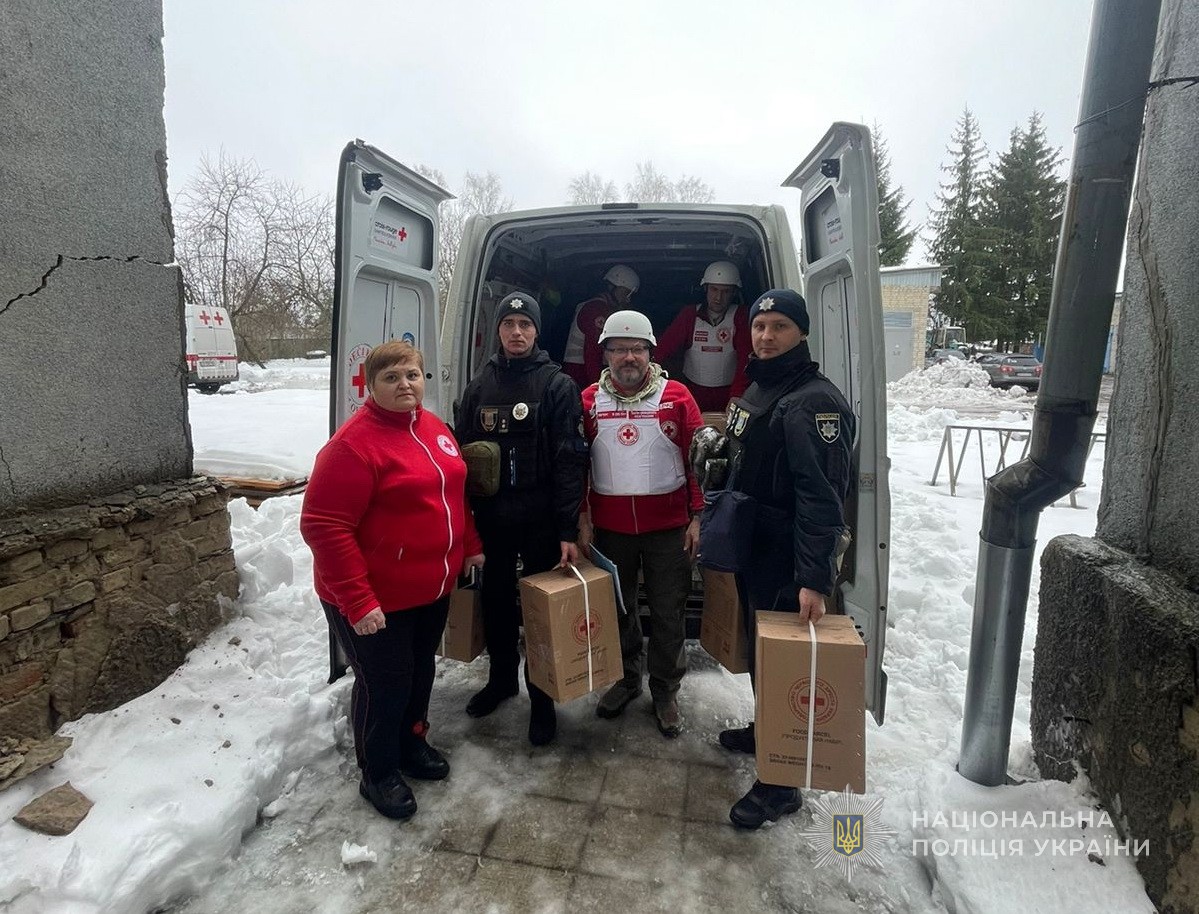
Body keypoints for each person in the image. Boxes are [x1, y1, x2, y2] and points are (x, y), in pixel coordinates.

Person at [300, 340, 484, 821]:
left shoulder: (434, 428)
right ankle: (378, 771)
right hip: (375, 598)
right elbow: (324, 526)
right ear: (371, 386)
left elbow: (453, 494)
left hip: (430, 590)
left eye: (412, 375)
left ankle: (412, 741)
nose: (405, 385)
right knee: (384, 685)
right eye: (392, 377)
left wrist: (469, 545)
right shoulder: (352, 447)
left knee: (420, 673)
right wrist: (358, 601)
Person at [707, 289, 855, 830]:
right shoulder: (764, 386)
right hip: (758, 545)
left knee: (785, 663)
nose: (766, 336)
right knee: (763, 652)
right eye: (759, 326)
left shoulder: (814, 402)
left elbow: (823, 498)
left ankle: (781, 785)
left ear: (802, 332)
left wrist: (813, 578)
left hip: (788, 557)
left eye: (779, 327)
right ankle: (766, 733)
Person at [454, 292, 588, 746]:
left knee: (540, 611)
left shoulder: (557, 385)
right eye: (508, 324)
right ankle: (500, 680)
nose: (516, 332)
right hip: (492, 517)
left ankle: (541, 699)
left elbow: (570, 462)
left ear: (536, 331)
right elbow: (461, 456)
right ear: (498, 330)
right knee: (495, 600)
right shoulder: (479, 386)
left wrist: (567, 528)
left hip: (540, 519)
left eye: (525, 324)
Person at [577, 310, 705, 737]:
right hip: (611, 530)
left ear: (650, 352)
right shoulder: (588, 401)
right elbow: (577, 467)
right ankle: (626, 678)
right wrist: (582, 517)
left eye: (636, 349)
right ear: (605, 354)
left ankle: (665, 689)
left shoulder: (677, 397)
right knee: (619, 609)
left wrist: (698, 517)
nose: (628, 357)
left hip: (668, 529)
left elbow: (698, 463)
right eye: (619, 349)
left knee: (669, 611)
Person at [655, 260, 751, 412]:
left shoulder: (740, 316)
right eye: (714, 289)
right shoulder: (689, 315)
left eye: (725, 291)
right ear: (705, 288)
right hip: (693, 391)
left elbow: (746, 359)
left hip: (728, 393)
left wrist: (737, 394)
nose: (718, 297)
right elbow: (664, 348)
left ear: (734, 292)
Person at [561, 264, 640, 389]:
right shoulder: (596, 309)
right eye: (626, 293)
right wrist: (598, 387)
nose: (627, 299)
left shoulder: (601, 308)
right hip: (581, 374)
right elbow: (593, 352)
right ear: (614, 287)